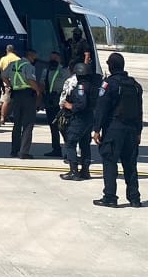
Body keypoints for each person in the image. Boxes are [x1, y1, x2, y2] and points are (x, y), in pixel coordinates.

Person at [92, 51, 143, 208]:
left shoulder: (109, 84)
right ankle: (134, 198)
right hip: (132, 129)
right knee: (130, 164)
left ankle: (110, 197)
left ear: (110, 66)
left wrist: (97, 129)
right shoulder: (135, 85)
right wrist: (139, 131)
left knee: (109, 162)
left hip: (115, 128)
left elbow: (101, 107)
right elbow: (140, 110)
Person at [60, 62, 95, 181]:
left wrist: (71, 106)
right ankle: (85, 171)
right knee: (85, 144)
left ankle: (73, 171)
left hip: (79, 119)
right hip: (89, 118)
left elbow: (82, 104)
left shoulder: (81, 87)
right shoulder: (91, 86)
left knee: (70, 143)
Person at [7, 48, 44, 159]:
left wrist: (10, 85)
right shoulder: (29, 66)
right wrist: (38, 91)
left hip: (16, 95)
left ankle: (14, 151)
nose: (35, 59)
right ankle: (24, 152)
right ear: (31, 56)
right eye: (35, 57)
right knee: (28, 125)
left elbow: (3, 75)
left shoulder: (13, 64)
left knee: (17, 124)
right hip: (27, 95)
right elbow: (30, 80)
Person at [43, 52, 67, 156]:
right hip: (50, 101)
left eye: (55, 59)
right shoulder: (46, 71)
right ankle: (56, 149)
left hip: (60, 102)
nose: (52, 61)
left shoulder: (64, 71)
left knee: (63, 126)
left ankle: (69, 150)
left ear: (59, 59)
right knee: (53, 127)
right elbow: (42, 85)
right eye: (51, 59)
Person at [0, 44, 20, 124]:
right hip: (17, 82)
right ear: (13, 50)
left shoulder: (3, 59)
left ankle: (2, 118)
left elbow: (0, 70)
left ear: (7, 50)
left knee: (5, 101)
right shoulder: (18, 59)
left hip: (6, 82)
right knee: (16, 101)